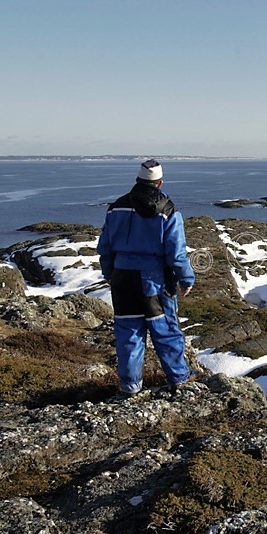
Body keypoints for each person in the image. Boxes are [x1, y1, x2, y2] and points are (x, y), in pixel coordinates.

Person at [97, 159, 197, 396]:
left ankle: (130, 385)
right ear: (160, 183)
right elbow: (176, 252)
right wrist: (186, 278)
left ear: (138, 180)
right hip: (153, 279)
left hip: (122, 277)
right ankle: (179, 377)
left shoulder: (116, 207)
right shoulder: (168, 210)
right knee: (165, 329)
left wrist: (110, 273)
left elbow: (105, 246)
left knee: (128, 332)